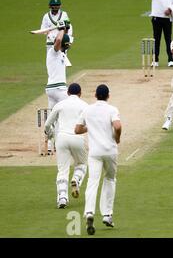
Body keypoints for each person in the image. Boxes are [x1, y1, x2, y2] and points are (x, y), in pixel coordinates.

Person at [75, 84, 122, 235]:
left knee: (92, 182)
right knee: (110, 179)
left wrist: (91, 127)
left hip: (94, 152)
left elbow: (77, 130)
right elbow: (118, 125)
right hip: (110, 151)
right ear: (108, 96)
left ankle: (89, 212)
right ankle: (107, 215)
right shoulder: (111, 109)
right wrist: (117, 138)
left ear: (95, 95)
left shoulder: (87, 109)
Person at [44, 83, 88, 209]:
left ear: (68, 93)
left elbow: (47, 125)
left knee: (62, 170)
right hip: (78, 138)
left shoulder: (60, 104)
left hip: (62, 138)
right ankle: (76, 179)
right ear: (80, 93)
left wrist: (51, 135)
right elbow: (91, 124)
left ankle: (62, 198)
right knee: (81, 164)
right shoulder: (85, 105)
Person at [44, 21, 72, 154]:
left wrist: (65, 29)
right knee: (65, 115)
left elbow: (62, 40)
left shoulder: (62, 54)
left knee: (52, 116)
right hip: (60, 90)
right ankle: (62, 143)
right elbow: (58, 40)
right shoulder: (53, 52)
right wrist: (61, 28)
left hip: (51, 90)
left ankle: (50, 144)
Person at [41, 0, 73, 67]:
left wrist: (69, 39)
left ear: (60, 6)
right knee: (50, 63)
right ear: (50, 6)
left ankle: (62, 77)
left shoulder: (64, 14)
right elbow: (43, 29)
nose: (55, 8)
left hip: (62, 42)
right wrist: (48, 31)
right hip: (50, 42)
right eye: (54, 6)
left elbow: (69, 27)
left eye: (57, 6)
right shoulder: (46, 16)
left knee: (61, 63)